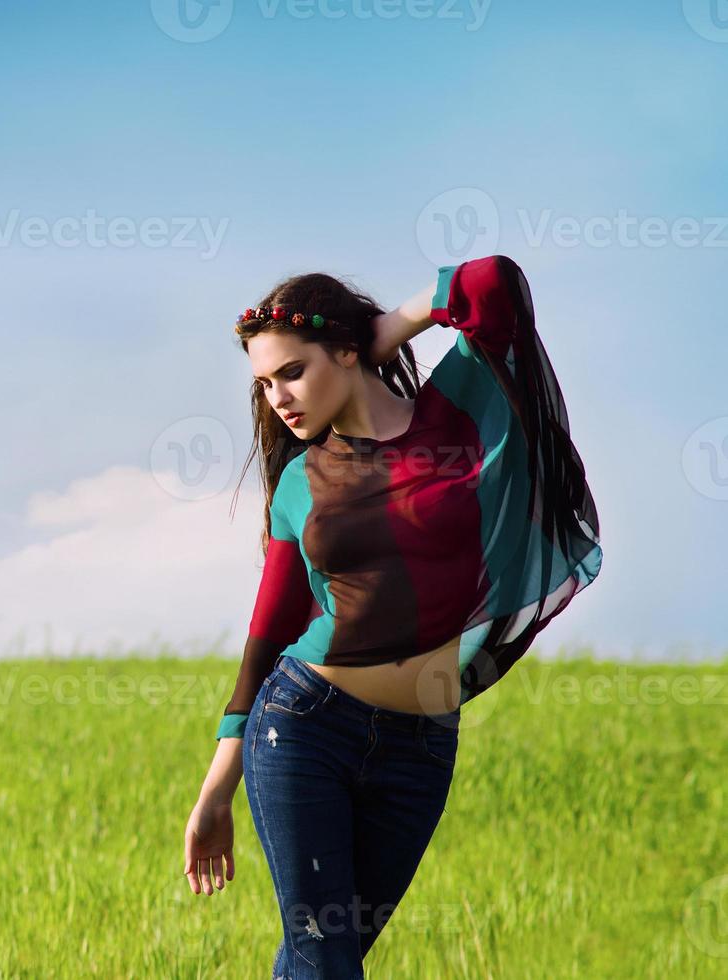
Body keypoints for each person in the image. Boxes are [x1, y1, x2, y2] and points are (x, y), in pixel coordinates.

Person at [182, 255, 603, 978]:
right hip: (304, 726)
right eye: (264, 383)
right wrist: (217, 786)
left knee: (327, 956)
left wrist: (387, 330)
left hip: (421, 749)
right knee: (325, 957)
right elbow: (268, 635)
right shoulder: (300, 481)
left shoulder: (454, 419)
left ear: (349, 350)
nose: (278, 397)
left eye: (291, 371)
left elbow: (492, 284)